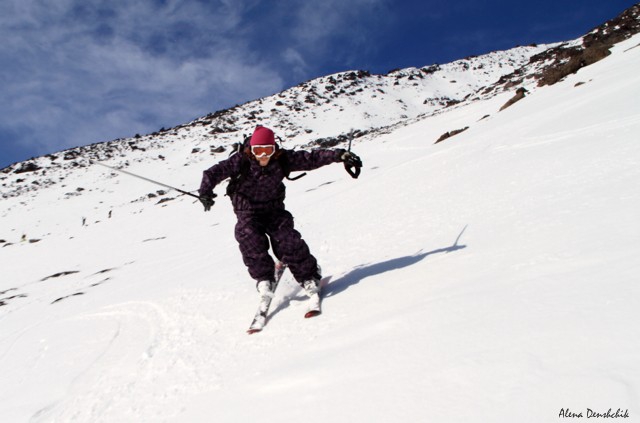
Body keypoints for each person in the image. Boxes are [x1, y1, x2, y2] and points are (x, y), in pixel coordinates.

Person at [198, 125, 362, 300]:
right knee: (248, 236)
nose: (263, 155)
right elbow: (213, 173)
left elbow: (311, 158)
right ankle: (263, 278)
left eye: (267, 150)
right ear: (250, 149)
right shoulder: (240, 161)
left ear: (274, 149)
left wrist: (339, 155)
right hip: (247, 212)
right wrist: (205, 192)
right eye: (258, 150)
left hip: (274, 209)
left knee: (286, 238)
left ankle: (308, 276)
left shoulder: (282, 159)